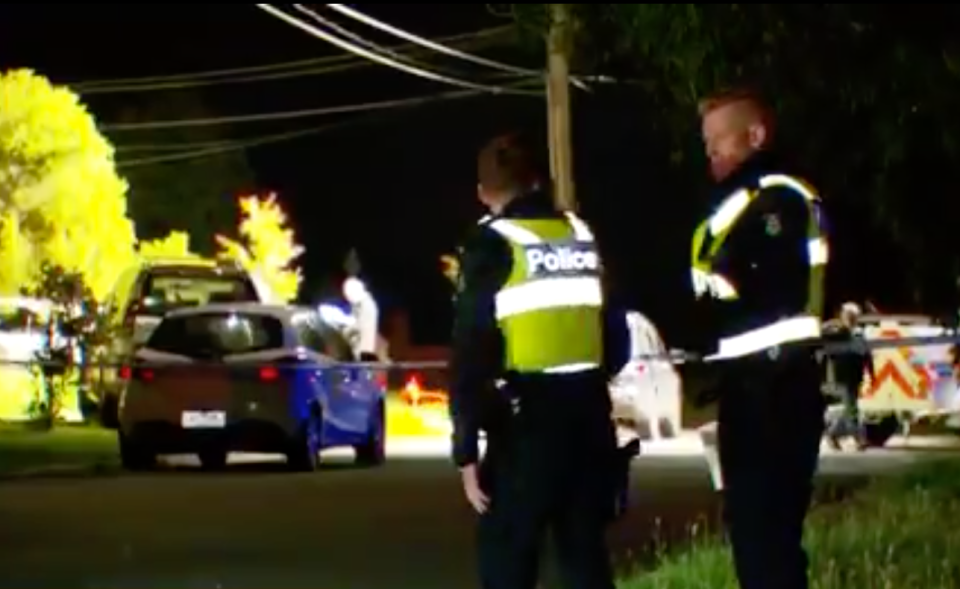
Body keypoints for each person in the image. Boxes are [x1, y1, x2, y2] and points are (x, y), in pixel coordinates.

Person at [449, 133, 631, 589]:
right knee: (585, 558)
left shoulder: (492, 243)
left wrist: (466, 449)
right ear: (537, 181)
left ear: (482, 193)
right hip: (590, 418)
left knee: (507, 555)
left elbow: (472, 349)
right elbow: (617, 337)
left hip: (525, 426)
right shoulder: (581, 235)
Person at [690, 88, 830, 589]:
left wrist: (717, 306)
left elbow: (763, 287)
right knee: (757, 535)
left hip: (773, 384)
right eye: (706, 143)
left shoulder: (777, 199)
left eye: (720, 140)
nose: (711, 153)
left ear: (756, 134)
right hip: (753, 382)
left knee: (765, 536)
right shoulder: (741, 199)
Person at [825, 302, 874, 450]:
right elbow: (829, 352)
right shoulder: (837, 333)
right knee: (852, 409)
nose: (851, 318)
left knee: (848, 408)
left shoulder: (859, 334)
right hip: (843, 376)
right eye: (848, 316)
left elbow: (866, 354)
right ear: (843, 316)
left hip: (855, 375)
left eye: (853, 316)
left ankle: (833, 434)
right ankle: (859, 439)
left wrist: (872, 372)